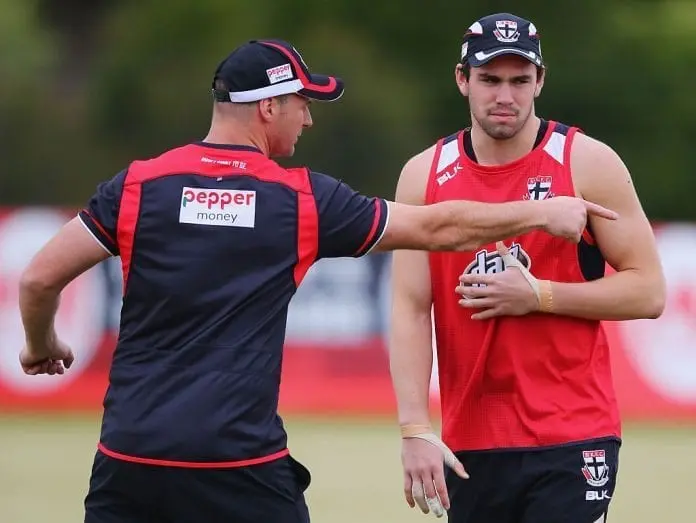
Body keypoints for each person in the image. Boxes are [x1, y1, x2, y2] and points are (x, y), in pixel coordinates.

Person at [18, 38, 615, 523]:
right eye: (302, 102)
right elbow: (439, 227)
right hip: (239, 464)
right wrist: (540, 213)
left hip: (128, 457)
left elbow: (39, 280)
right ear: (267, 108)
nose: (307, 117)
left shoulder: (137, 186)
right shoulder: (298, 200)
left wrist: (42, 344)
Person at [389, 12, 666, 523]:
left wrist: (540, 296)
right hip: (471, 441)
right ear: (462, 80)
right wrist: (414, 429)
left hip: (573, 433)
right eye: (490, 79)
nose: (505, 96)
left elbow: (648, 292)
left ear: (540, 81)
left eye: (520, 81)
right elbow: (409, 307)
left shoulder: (587, 162)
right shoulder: (423, 175)